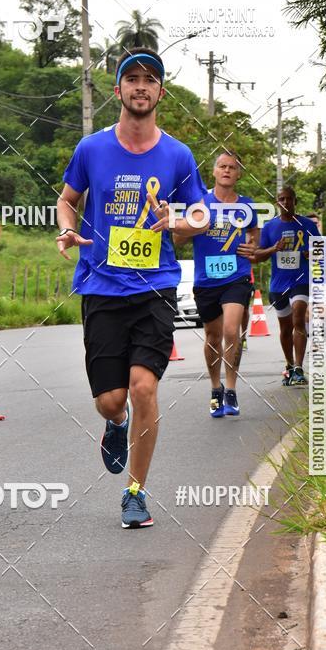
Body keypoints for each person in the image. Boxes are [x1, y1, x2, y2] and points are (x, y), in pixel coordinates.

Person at [55, 48, 207, 529]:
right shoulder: (91, 149)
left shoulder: (178, 155)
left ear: (161, 92)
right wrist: (67, 228)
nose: (141, 86)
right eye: (132, 78)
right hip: (101, 286)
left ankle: (135, 492)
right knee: (111, 399)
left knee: (144, 387)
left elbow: (201, 216)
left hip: (155, 286)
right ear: (117, 89)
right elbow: (67, 199)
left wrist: (177, 221)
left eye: (150, 79)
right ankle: (115, 423)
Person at [174, 151, 258, 417]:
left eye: (232, 167)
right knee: (212, 336)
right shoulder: (199, 204)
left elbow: (254, 233)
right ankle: (215, 388)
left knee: (232, 330)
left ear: (238, 174)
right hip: (206, 279)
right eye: (222, 166)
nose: (227, 170)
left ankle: (231, 389)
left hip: (237, 276)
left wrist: (253, 246)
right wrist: (193, 227)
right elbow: (178, 239)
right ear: (213, 171)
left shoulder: (246, 206)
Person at [255, 186, 320, 386]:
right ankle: (290, 365)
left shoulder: (308, 225)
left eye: (289, 199)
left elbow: (321, 250)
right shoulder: (269, 227)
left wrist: (313, 253)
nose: (285, 202)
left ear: (295, 201)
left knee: (298, 318)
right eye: (281, 199)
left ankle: (299, 368)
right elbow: (258, 255)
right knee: (285, 328)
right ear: (277, 203)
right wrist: (274, 248)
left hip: (301, 280)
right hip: (278, 284)